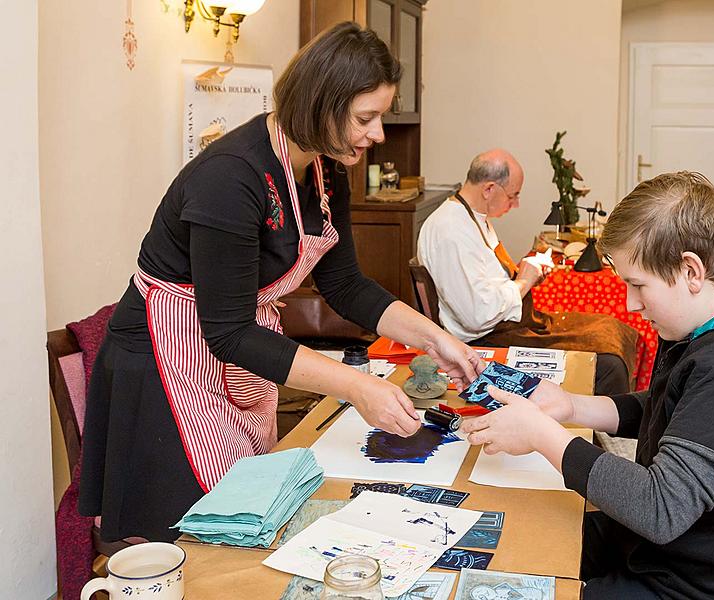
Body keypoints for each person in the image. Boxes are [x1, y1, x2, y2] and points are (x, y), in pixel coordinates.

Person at [78, 22, 482, 543]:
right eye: (367, 117)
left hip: (228, 348)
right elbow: (228, 331)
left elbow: (347, 286)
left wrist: (434, 337)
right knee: (185, 542)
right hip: (161, 360)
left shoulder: (326, 168)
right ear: (321, 105)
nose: (379, 133)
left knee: (238, 521)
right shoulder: (229, 177)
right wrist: (359, 387)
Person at [462, 171, 714, 599]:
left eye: (638, 285)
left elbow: (661, 508)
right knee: (513, 536)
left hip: (703, 582)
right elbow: (673, 407)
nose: (630, 304)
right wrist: (571, 407)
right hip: (669, 548)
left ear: (691, 270)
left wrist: (543, 436)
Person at [417, 149, 639, 395]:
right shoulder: (451, 231)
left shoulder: (472, 218)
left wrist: (526, 275)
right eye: (513, 195)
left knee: (611, 327)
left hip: (504, 325)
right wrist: (524, 281)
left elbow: (487, 287)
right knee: (610, 361)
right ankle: (592, 427)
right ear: (489, 189)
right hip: (486, 338)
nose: (516, 204)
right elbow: (477, 316)